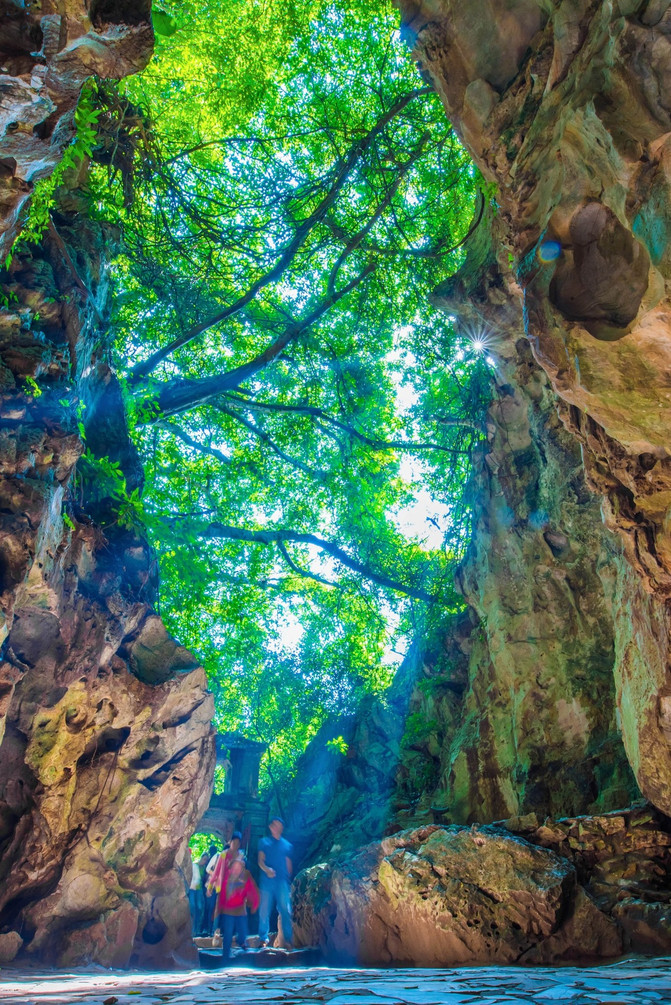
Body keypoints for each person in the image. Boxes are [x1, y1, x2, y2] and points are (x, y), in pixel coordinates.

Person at [257, 816, 293, 949]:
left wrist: (288, 879)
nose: (277, 828)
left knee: (285, 910)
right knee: (264, 910)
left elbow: (288, 863)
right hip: (267, 881)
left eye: (280, 825)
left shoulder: (287, 845)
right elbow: (260, 861)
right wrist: (267, 870)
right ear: (271, 827)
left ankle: (288, 940)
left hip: (282, 882)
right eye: (275, 825)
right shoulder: (264, 842)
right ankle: (263, 939)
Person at [216, 853, 259, 961]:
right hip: (228, 911)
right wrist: (218, 910)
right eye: (234, 867)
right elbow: (222, 896)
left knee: (243, 933)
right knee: (228, 934)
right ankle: (225, 958)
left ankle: (242, 944)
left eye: (239, 867)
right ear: (231, 868)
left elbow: (252, 890)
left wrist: (254, 903)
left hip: (240, 911)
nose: (236, 869)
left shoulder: (245, 878)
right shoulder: (226, 879)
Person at [188, 848, 205, 937]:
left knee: (197, 907)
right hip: (190, 890)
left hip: (196, 890)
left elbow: (198, 878)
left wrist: (192, 885)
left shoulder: (194, 865)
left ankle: (196, 929)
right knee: (192, 907)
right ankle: (192, 929)